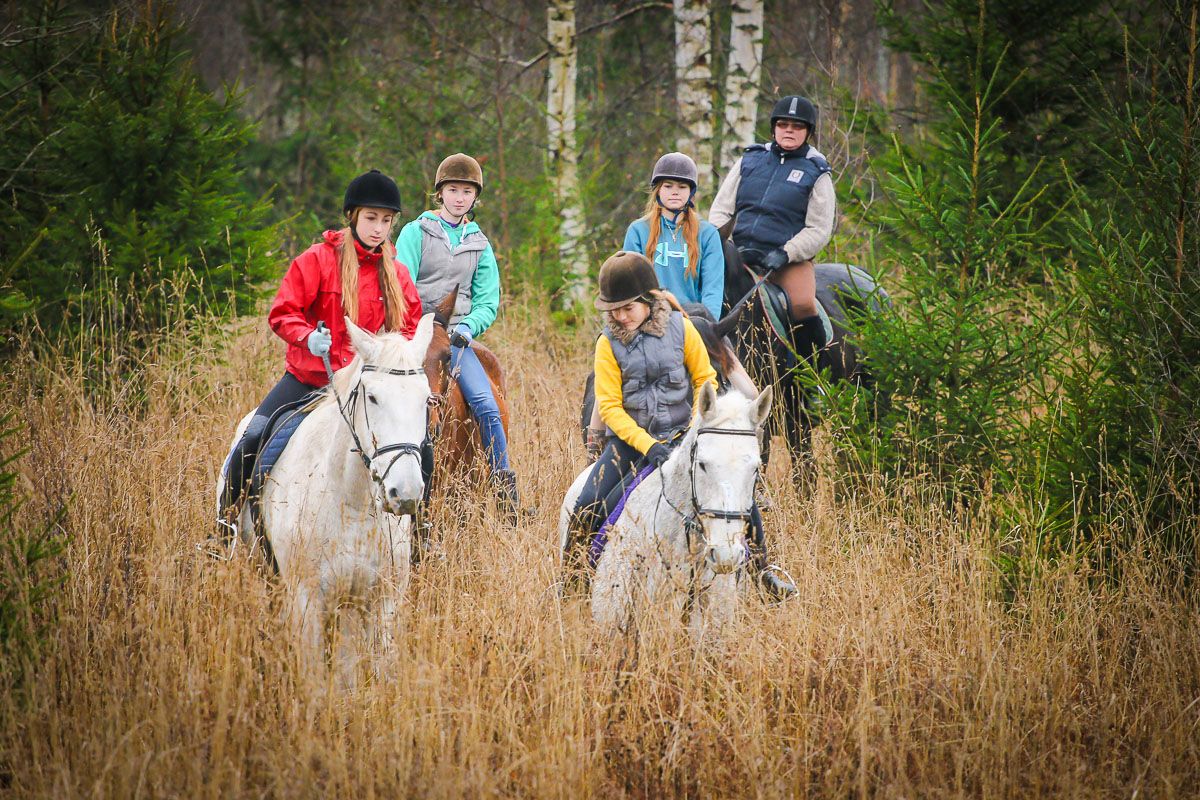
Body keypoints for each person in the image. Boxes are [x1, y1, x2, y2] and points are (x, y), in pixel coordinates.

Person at [565, 252, 795, 599]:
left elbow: (706, 381)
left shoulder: (682, 328)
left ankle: (764, 569)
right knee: (588, 502)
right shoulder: (606, 343)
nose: (619, 316)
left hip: (684, 435)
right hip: (629, 443)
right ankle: (572, 580)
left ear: (648, 301)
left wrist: (691, 432)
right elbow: (610, 408)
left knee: (741, 499)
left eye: (627, 308)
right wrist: (648, 446)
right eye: (612, 310)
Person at [215, 169, 422, 538]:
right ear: (352, 216)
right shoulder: (317, 260)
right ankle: (225, 526)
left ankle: (421, 533)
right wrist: (308, 337)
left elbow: (409, 327)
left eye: (386, 221)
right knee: (253, 437)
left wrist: (391, 359)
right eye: (371, 218)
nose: (379, 228)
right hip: (309, 379)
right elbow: (282, 312)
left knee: (419, 446)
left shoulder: (398, 273)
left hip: (366, 389)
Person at [394, 153, 521, 520]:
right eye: (453, 190)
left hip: (458, 337)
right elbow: (403, 282)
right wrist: (422, 324)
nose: (460, 197)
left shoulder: (480, 244)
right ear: (440, 194)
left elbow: (487, 300)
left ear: (475, 197)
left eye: (467, 191)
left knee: (486, 403)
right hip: (416, 332)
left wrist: (469, 327)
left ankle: (503, 488)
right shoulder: (415, 232)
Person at [709, 94, 835, 364]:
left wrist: (787, 252)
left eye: (797, 126)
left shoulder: (817, 170)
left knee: (802, 304)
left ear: (808, 132)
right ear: (774, 127)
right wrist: (717, 241)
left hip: (785, 262)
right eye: (783, 124)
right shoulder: (750, 160)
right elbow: (721, 209)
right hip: (738, 255)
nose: (789, 130)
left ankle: (812, 380)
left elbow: (819, 228)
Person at [622, 152, 725, 320]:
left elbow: (712, 288)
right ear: (658, 190)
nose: (675, 192)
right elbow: (631, 285)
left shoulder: (707, 234)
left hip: (693, 320)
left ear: (691, 192)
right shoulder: (638, 231)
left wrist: (707, 325)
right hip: (650, 319)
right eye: (668, 186)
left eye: (682, 187)